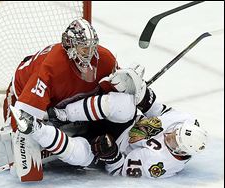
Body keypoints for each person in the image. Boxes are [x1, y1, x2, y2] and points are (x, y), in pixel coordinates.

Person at [0, 18, 130, 181]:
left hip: (66, 107)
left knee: (113, 116)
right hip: (22, 97)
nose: (87, 53)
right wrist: (24, 152)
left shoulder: (105, 60)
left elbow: (117, 94)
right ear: (69, 45)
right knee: (19, 141)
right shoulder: (52, 66)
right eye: (81, 48)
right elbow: (24, 116)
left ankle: (65, 134)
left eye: (90, 47)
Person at [40, 71, 208, 178]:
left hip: (109, 147)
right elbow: (155, 109)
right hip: (126, 122)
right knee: (125, 104)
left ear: (180, 152)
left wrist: (111, 154)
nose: (169, 135)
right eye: (174, 132)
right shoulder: (184, 120)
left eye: (173, 141)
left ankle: (43, 143)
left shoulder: (161, 165)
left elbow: (120, 170)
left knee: (82, 153)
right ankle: (60, 114)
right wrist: (141, 94)